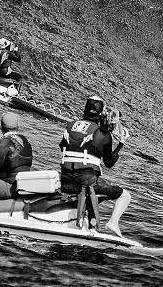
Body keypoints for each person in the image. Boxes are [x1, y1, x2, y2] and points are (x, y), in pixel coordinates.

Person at [59, 96, 131, 237]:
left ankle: (82, 216)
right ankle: (112, 223)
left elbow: (63, 146)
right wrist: (121, 143)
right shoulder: (102, 133)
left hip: (65, 182)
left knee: (92, 185)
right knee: (125, 195)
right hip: (85, 184)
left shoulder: (69, 125)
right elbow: (109, 163)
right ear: (101, 113)